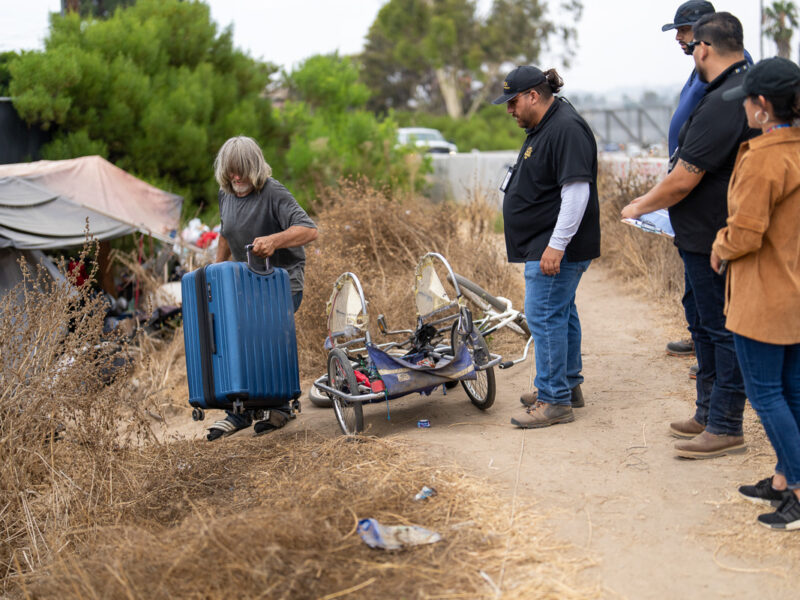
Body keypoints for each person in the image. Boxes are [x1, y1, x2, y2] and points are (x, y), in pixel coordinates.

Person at [621, 12, 758, 458]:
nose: (688, 49)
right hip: (701, 233)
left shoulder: (728, 98)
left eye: (690, 42)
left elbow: (685, 177)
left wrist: (639, 205)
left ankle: (725, 425)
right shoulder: (730, 88)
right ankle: (707, 412)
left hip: (715, 236)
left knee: (720, 329)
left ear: (704, 47)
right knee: (703, 324)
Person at [711, 58, 800, 529]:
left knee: (765, 395)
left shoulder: (764, 157)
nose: (743, 107)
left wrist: (719, 245)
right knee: (792, 390)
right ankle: (784, 478)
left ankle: (798, 489)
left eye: (747, 99)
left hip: (764, 296)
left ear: (763, 106)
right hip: (794, 289)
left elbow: (745, 234)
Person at [492, 66, 601, 428]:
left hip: (555, 247)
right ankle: (566, 386)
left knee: (545, 315)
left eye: (513, 102)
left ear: (534, 96)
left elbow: (576, 192)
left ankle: (554, 399)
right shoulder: (546, 124)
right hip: (548, 243)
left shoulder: (566, 128)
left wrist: (555, 246)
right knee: (561, 313)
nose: (509, 110)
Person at [206, 136, 318, 441]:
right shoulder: (226, 194)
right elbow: (226, 232)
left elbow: (309, 230)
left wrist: (275, 240)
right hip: (246, 283)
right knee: (233, 339)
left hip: (282, 282)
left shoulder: (273, 192)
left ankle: (279, 406)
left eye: (241, 170)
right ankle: (240, 410)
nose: (236, 177)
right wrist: (215, 270)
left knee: (262, 338)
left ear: (253, 167)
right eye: (230, 172)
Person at [661, 0, 717, 362]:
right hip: (688, 188)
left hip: (705, 190)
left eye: (683, 30)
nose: (679, 38)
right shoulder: (698, 68)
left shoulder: (722, 68)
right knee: (694, 278)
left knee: (708, 280)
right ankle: (700, 338)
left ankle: (710, 349)